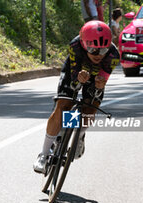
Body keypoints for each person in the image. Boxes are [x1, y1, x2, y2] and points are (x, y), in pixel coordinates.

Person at [33, 20, 120, 174]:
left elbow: (99, 88)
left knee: (89, 110)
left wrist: (99, 87)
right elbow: (73, 84)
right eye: (93, 49)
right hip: (76, 71)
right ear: (84, 44)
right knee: (63, 106)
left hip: (95, 77)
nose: (98, 55)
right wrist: (77, 80)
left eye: (103, 50)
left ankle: (79, 135)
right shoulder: (75, 46)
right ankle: (44, 154)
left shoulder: (112, 55)